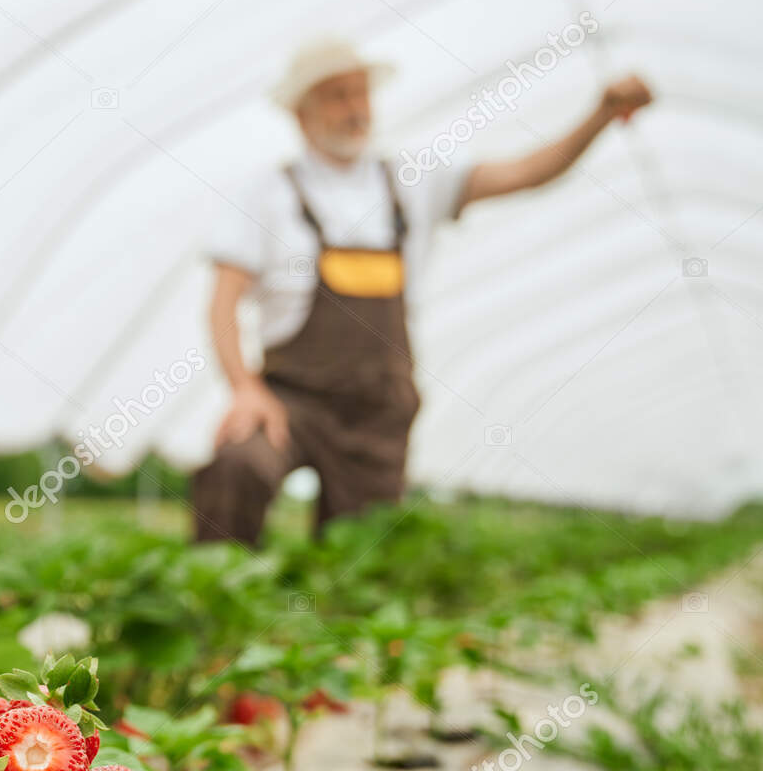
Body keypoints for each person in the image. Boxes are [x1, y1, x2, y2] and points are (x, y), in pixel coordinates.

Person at [191, 37, 652, 544]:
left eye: (360, 94)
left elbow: (524, 172)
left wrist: (601, 114)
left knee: (363, 550)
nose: (354, 108)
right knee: (239, 465)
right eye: (337, 96)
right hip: (291, 399)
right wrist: (245, 389)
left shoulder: (411, 181)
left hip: (377, 407)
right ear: (302, 114)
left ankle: (327, 621)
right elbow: (222, 306)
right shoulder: (268, 193)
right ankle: (221, 596)